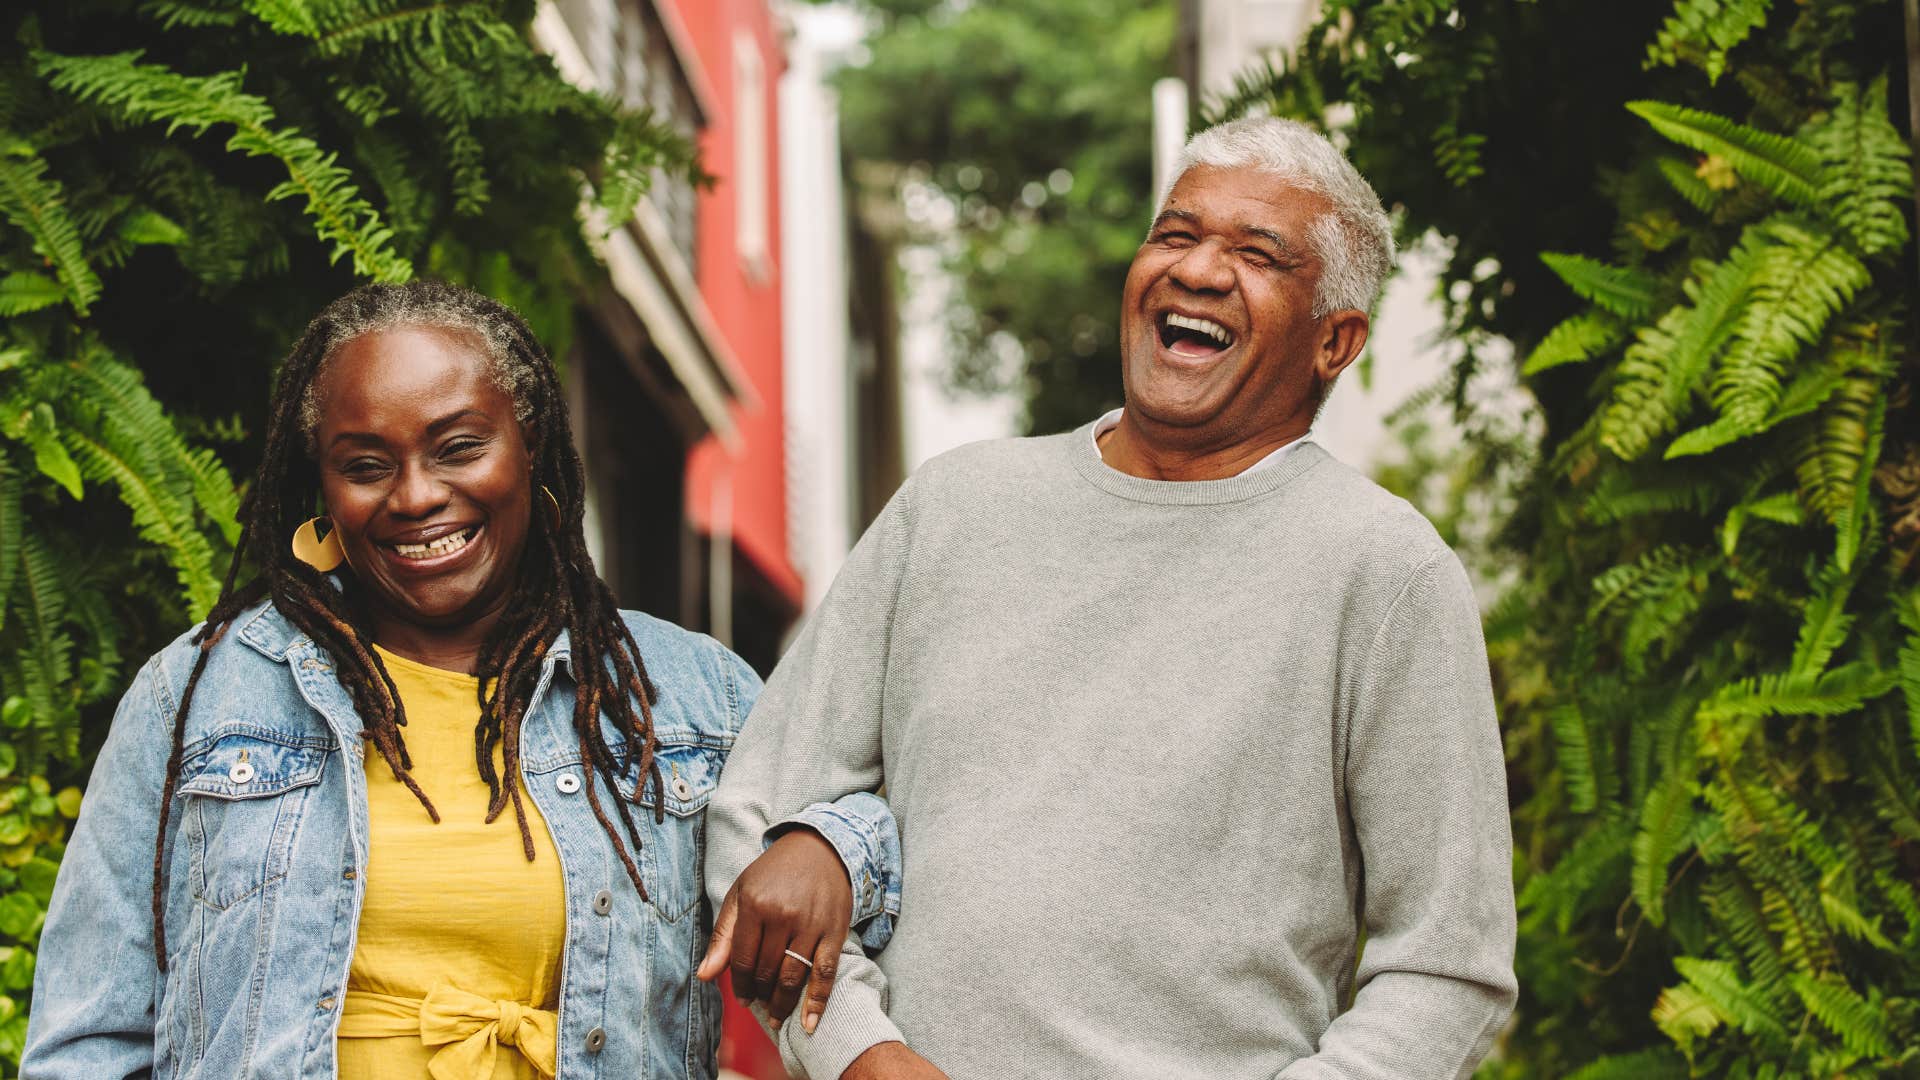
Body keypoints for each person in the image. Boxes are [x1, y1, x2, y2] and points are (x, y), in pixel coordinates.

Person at [706, 116, 1518, 1080]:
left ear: (1334, 341)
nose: (1199, 271)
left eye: (1258, 255)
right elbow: (760, 809)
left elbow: (1448, 970)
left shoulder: (1386, 573)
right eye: (1176, 234)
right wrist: (857, 1053)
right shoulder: (957, 506)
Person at [23, 281, 901, 1079]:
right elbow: (88, 1041)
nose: (414, 496)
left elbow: (884, 825)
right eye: (366, 466)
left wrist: (826, 846)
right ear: (320, 490)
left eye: (459, 447)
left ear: (532, 452)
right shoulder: (202, 693)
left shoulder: (684, 694)